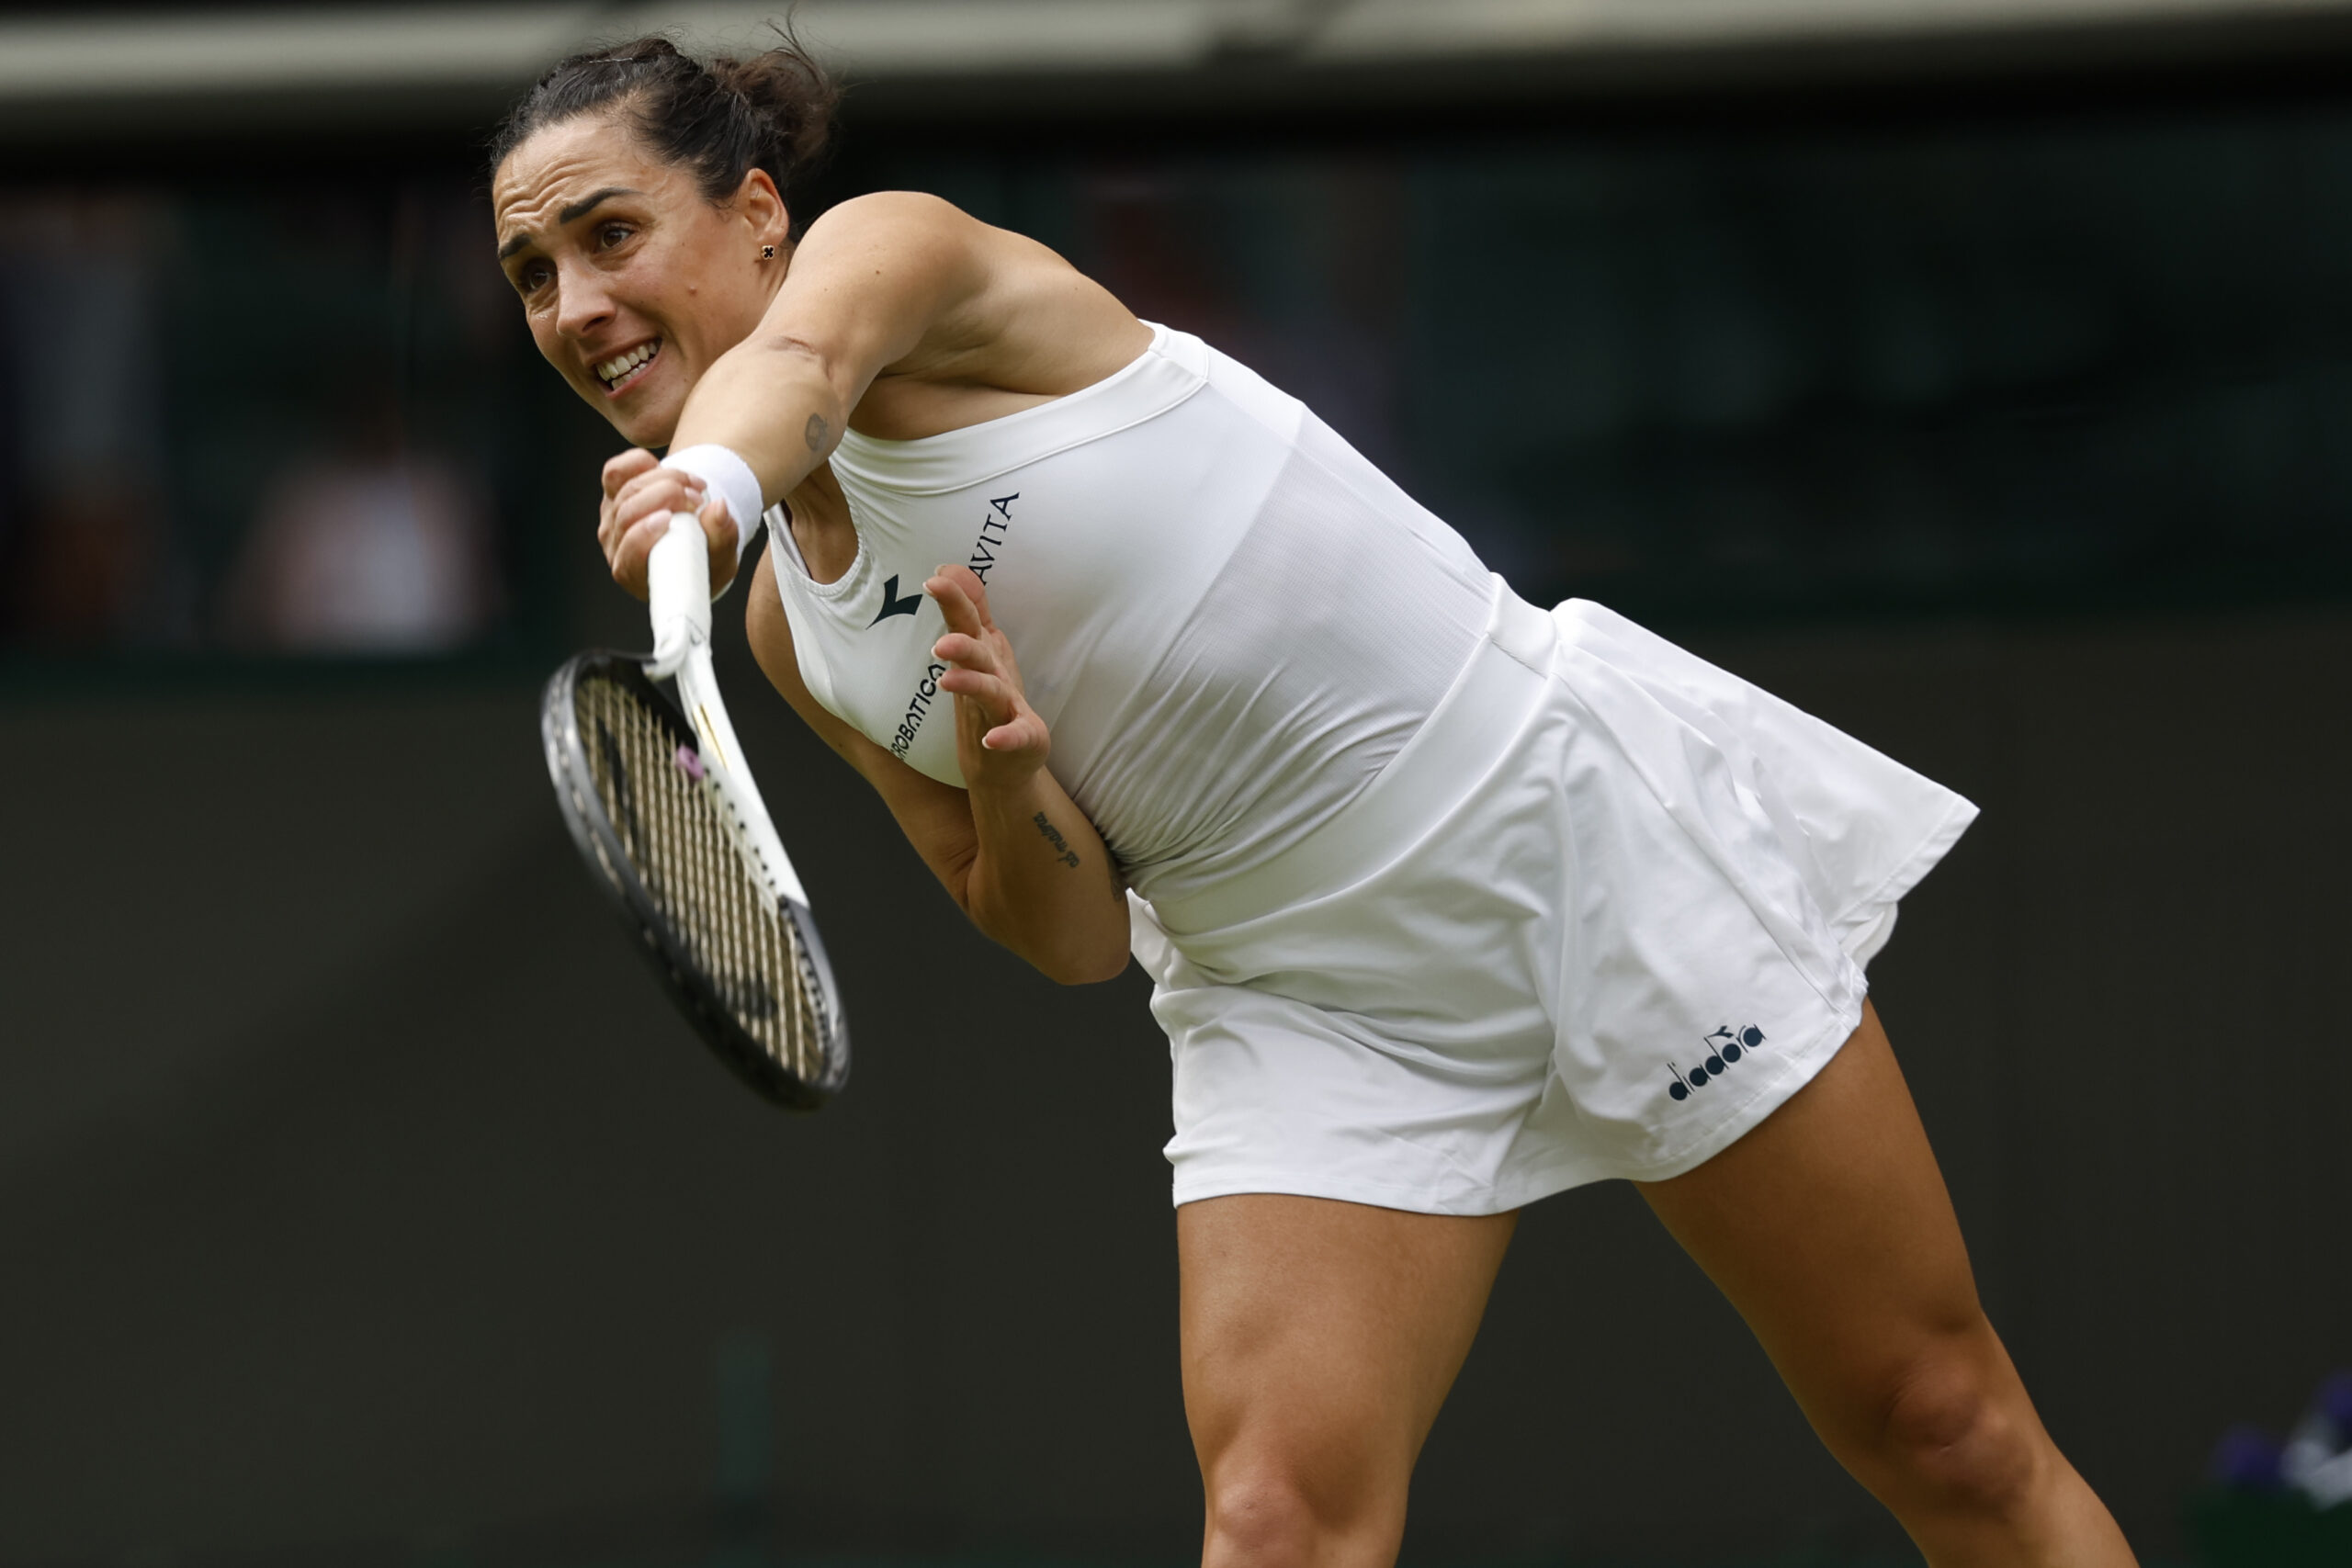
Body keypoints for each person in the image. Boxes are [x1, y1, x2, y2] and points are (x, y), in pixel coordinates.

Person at [490, 36, 2138, 1568]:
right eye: (532, 276)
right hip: (1303, 1000)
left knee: (1944, 1426)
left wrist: (705, 485)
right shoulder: (791, 633)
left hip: (1565, 836)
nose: (575, 304)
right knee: (1279, 1526)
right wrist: (1014, 780)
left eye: (609, 234)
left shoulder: (888, 260)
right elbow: (1063, 939)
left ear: (760, 210)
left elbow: (801, 369)